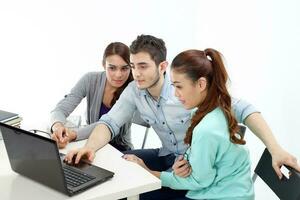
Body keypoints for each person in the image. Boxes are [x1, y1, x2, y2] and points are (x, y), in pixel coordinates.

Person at [64, 35, 300, 199]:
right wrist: (90, 148)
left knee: (136, 189)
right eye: (133, 65)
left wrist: (276, 149)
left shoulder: (190, 90)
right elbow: (110, 123)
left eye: (143, 66)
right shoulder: (135, 90)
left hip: (197, 169)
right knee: (123, 161)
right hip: (171, 158)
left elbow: (245, 110)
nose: (136, 73)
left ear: (162, 66)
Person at [124, 48, 254, 200]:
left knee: (140, 194)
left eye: (179, 86)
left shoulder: (206, 129)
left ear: (201, 84)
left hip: (219, 195)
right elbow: (205, 162)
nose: (175, 94)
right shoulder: (208, 110)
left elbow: (200, 181)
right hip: (218, 188)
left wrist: (148, 172)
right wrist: (184, 162)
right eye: (173, 86)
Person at [50, 42, 134, 152]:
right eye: (112, 68)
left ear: (131, 67)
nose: (118, 75)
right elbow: (60, 109)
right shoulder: (90, 80)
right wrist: (57, 127)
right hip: (87, 140)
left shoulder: (132, 90)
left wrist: (73, 134)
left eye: (124, 68)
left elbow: (107, 125)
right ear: (104, 65)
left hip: (118, 150)